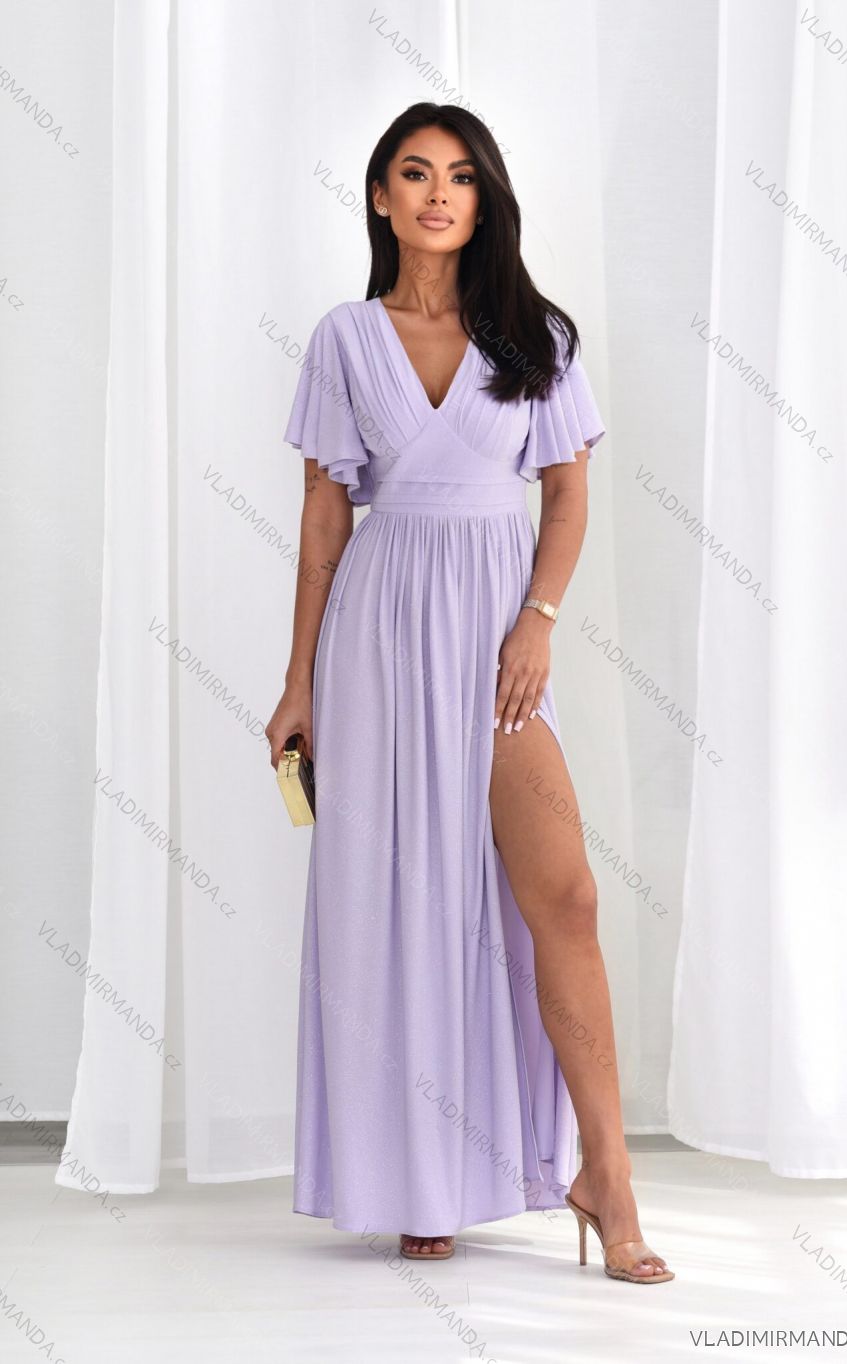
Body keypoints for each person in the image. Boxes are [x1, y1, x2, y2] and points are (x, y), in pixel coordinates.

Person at [266, 101, 673, 1285]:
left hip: (499, 638)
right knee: (400, 907)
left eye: (459, 175)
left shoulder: (534, 334)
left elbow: (567, 494)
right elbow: (324, 517)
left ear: (484, 200)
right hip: (379, 640)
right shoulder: (345, 338)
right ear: (380, 198)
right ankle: (418, 1178)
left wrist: (536, 619)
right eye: (414, 172)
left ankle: (608, 1175)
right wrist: (297, 682)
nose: (438, 192)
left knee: (566, 897)